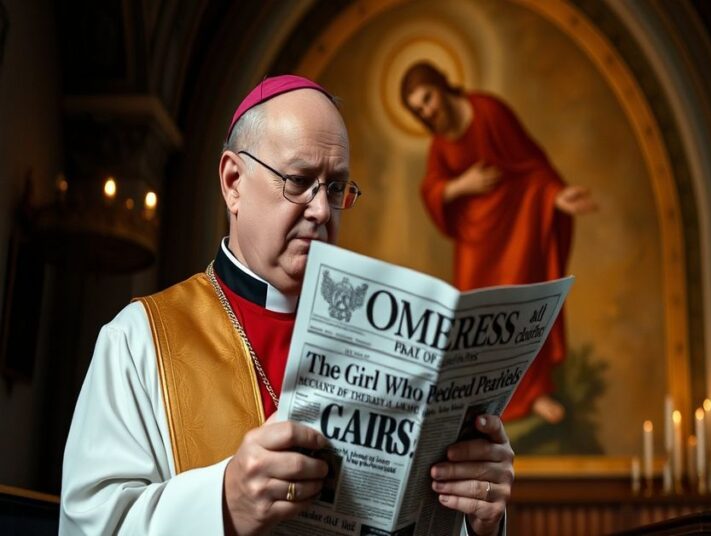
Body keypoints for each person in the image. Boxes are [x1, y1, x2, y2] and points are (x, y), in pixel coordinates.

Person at [60, 75, 513, 535]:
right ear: (233, 182)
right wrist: (224, 502)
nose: (321, 210)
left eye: (336, 188)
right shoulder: (139, 339)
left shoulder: (390, 341)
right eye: (299, 181)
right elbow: (89, 525)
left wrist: (480, 520)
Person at [400, 62, 596, 424]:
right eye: (418, 109)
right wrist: (462, 185)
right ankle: (482, 399)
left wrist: (555, 195)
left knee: (519, 306)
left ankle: (533, 394)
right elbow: (432, 189)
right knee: (479, 317)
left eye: (426, 99)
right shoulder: (440, 145)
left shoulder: (488, 112)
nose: (427, 110)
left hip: (516, 225)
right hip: (476, 242)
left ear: (441, 86)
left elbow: (531, 164)